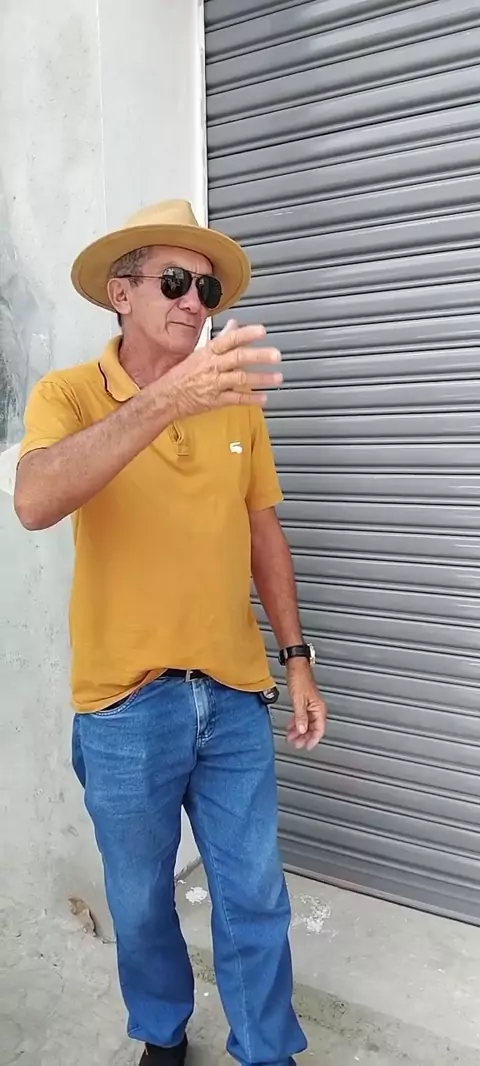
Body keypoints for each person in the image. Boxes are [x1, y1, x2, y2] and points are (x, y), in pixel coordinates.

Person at [14, 199, 327, 1066]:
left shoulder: (235, 403)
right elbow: (35, 500)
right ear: (122, 293)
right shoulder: (69, 394)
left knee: (254, 892)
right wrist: (165, 400)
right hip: (125, 705)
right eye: (177, 281)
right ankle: (162, 1031)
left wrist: (298, 659)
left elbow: (264, 534)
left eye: (208, 289)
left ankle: (266, 1047)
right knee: (141, 898)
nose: (196, 302)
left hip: (232, 693)